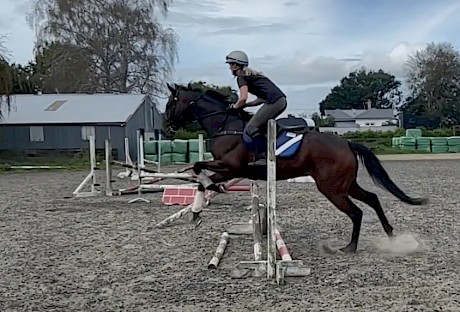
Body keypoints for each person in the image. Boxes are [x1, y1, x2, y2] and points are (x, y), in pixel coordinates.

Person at [225, 50, 287, 160]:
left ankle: (264, 156)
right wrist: (246, 105)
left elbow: (243, 98)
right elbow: (260, 99)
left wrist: (234, 107)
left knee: (250, 128)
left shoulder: (241, 77)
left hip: (274, 102)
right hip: (280, 101)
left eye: (230, 64)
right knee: (260, 127)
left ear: (235, 65)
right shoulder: (253, 76)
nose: (229, 68)